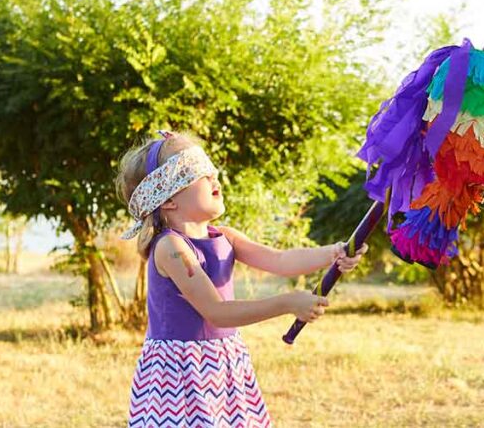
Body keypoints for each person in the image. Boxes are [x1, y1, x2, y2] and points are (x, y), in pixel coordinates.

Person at [116, 131, 366, 427]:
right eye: (199, 174)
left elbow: (280, 260)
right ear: (168, 199)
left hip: (223, 363)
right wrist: (287, 302)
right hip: (180, 376)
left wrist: (334, 253)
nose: (214, 178)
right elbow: (217, 312)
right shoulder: (171, 248)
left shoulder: (225, 237)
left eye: (211, 170)